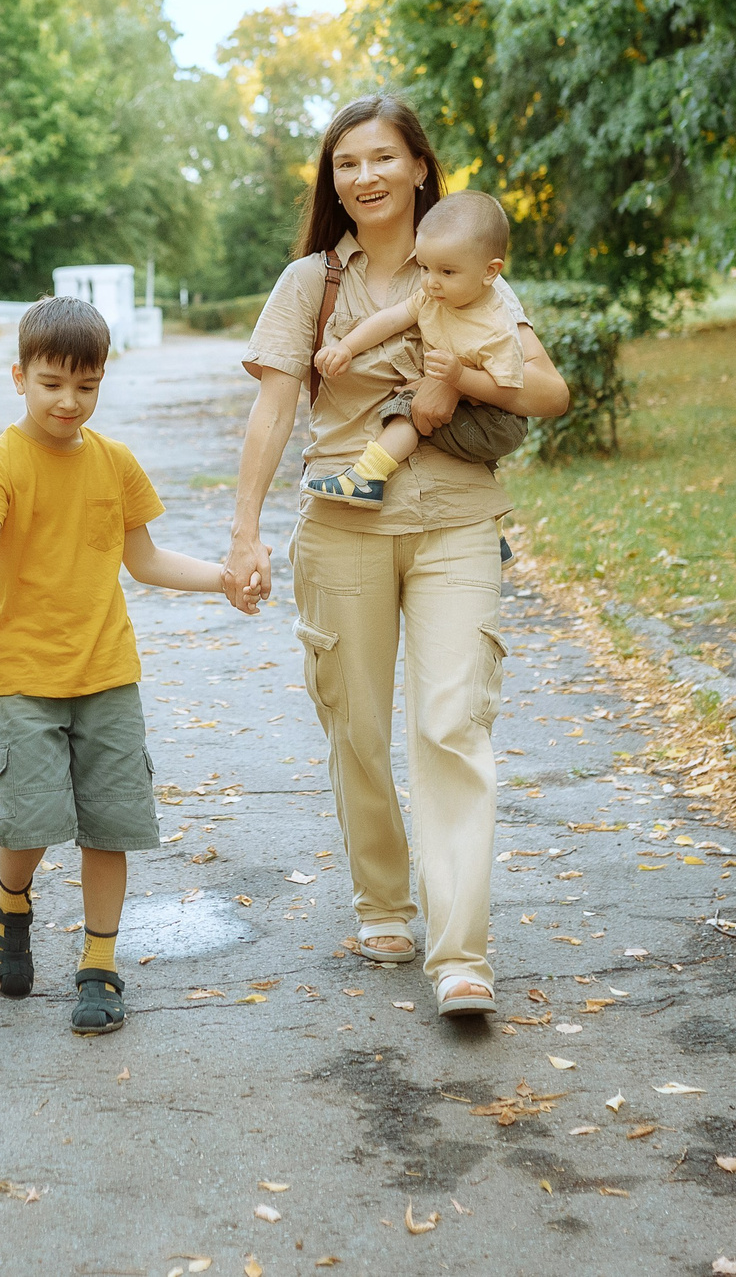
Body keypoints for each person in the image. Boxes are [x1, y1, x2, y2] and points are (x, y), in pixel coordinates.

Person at [220, 95, 570, 1018]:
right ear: (333, 181)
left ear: (421, 166)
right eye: (346, 164)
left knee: (454, 723)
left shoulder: (474, 273)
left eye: (383, 158)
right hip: (342, 523)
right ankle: (384, 899)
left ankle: (462, 953)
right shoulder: (311, 283)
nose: (365, 177)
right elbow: (273, 410)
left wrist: (460, 378)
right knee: (358, 726)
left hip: (457, 518)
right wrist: (245, 529)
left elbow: (539, 385)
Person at [0, 296, 233, 1036]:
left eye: (86, 385)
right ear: (19, 377)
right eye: (51, 383)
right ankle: (11, 899)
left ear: (101, 381)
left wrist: (222, 576)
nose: (69, 401)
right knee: (31, 817)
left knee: (110, 824)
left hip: (106, 671)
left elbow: (147, 558)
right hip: (24, 675)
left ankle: (100, 963)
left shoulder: (114, 461)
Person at [302, 190, 525, 510]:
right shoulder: (434, 298)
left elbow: (505, 390)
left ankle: (365, 478)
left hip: (497, 421)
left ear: (489, 272)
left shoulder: (495, 327)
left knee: (406, 406)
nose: (431, 282)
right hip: (469, 409)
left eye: (447, 272)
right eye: (424, 267)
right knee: (417, 401)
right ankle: (496, 532)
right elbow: (391, 319)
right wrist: (346, 347)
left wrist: (457, 378)